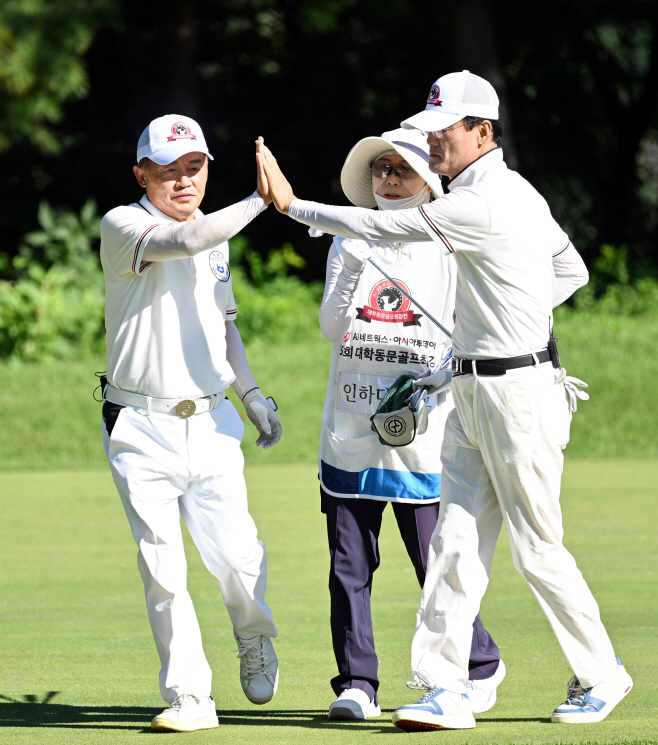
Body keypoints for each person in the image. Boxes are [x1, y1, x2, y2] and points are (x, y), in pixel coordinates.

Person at [256, 69, 632, 730]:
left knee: (536, 548)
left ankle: (603, 672)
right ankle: (444, 684)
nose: (432, 144)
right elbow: (568, 270)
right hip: (470, 383)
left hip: (519, 393)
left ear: (482, 131)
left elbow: (389, 230)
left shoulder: (488, 200)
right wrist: (500, 324)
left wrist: (293, 207)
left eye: (443, 132)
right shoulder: (515, 194)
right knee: (455, 540)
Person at [100, 114, 282, 733]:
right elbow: (183, 244)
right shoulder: (124, 225)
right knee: (163, 569)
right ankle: (189, 695)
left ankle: (253, 635)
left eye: (195, 167)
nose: (183, 180)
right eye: (169, 169)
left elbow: (222, 323)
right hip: (138, 425)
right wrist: (262, 200)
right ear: (142, 173)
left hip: (211, 422)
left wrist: (252, 393)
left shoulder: (215, 237)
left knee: (236, 558)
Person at [317, 128, 503, 721]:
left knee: (436, 559)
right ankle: (357, 684)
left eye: (404, 169)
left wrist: (437, 381)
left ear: (431, 180)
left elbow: (467, 330)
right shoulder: (348, 242)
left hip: (425, 430)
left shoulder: (450, 243)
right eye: (382, 170)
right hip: (350, 427)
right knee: (349, 564)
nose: (391, 179)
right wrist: (351, 256)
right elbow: (331, 327)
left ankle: (477, 663)